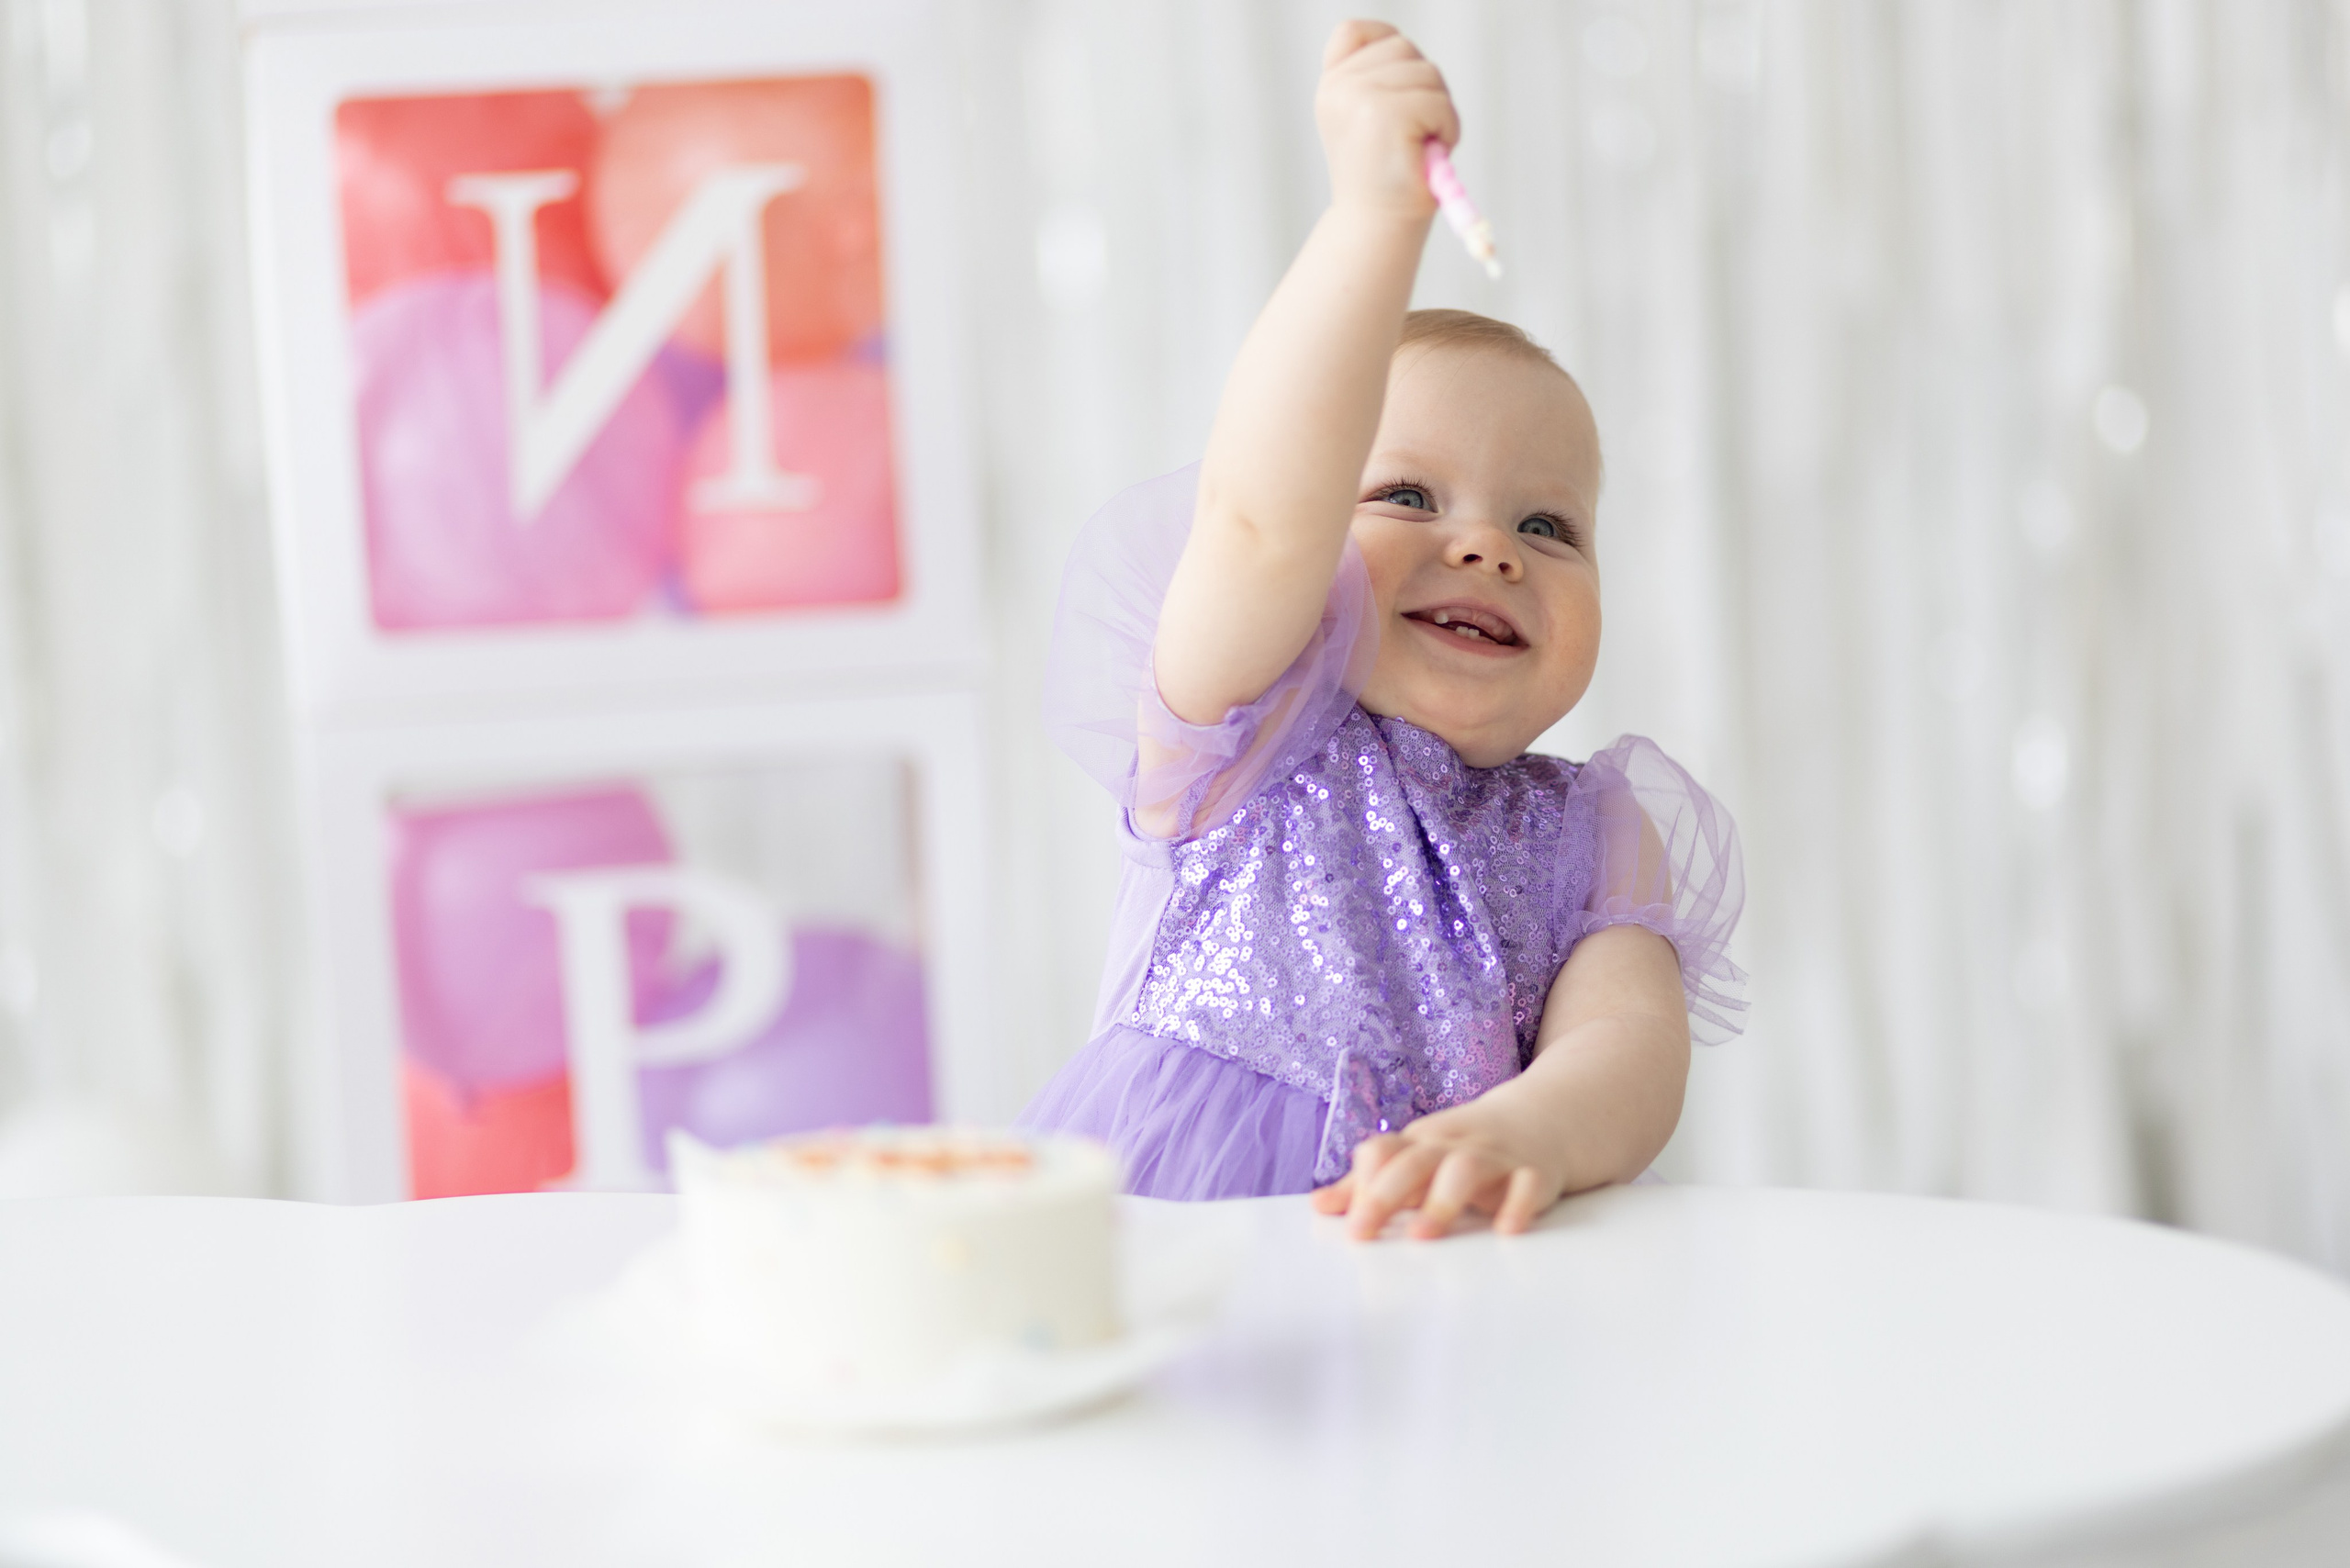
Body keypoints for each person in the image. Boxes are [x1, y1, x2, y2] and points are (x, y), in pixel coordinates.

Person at [1020, 19, 1745, 1239]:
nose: (1489, 548)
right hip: (1194, 1256)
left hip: (1449, 1264)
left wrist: (1533, 1128)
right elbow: (1257, 518)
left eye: (1550, 527)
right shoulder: (1245, 730)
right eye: (1407, 496)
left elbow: (1632, 1050)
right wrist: (1372, 218)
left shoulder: (1593, 831)